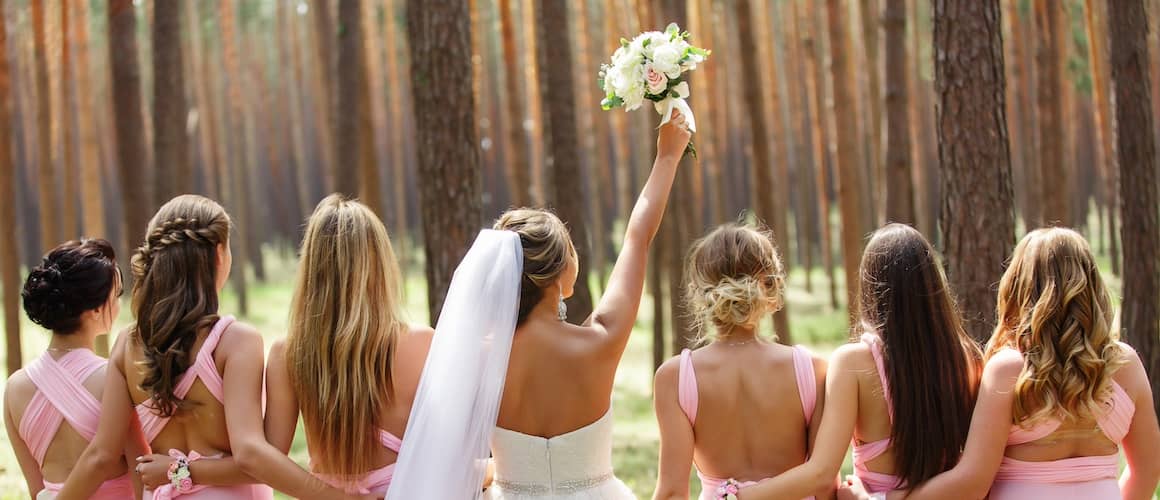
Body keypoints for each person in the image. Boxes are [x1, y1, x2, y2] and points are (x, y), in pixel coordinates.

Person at [388, 110, 693, 498]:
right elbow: (638, 234)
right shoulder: (601, 340)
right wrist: (667, 157)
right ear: (558, 274)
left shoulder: (477, 359)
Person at [56, 195, 363, 500]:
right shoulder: (235, 341)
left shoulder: (127, 343)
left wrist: (177, 470)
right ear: (218, 254)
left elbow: (101, 454)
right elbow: (253, 455)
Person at [851, 228, 1160, 500]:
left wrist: (880, 499)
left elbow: (972, 483)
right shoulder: (1126, 363)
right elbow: (1147, 472)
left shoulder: (1009, 369)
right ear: (1092, 284)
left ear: (1019, 286)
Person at [739, 224, 982, 499]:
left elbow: (821, 473)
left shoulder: (854, 362)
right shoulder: (967, 357)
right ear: (932, 284)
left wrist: (739, 496)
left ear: (871, 286)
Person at [264, 195, 434, 495]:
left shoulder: (287, 353)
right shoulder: (423, 344)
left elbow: (269, 461)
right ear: (380, 263)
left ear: (312, 269)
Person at [652, 224, 828, 500]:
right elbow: (824, 486)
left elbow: (672, 492)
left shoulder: (674, 377)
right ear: (770, 285)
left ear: (700, 292)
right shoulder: (812, 370)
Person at [5, 239, 140, 499]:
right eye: (117, 295)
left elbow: (37, 492)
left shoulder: (14, 388)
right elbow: (140, 473)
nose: (119, 304)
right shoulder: (114, 379)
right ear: (97, 309)